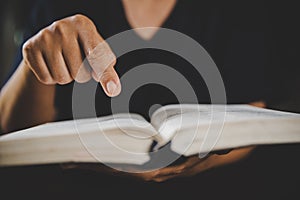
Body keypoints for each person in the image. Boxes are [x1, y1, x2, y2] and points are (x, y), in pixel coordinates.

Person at [0, 0, 299, 198]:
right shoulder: (59, 6)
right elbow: (12, 131)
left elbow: (257, 111)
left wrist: (205, 158)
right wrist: (33, 69)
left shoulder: (240, 10)